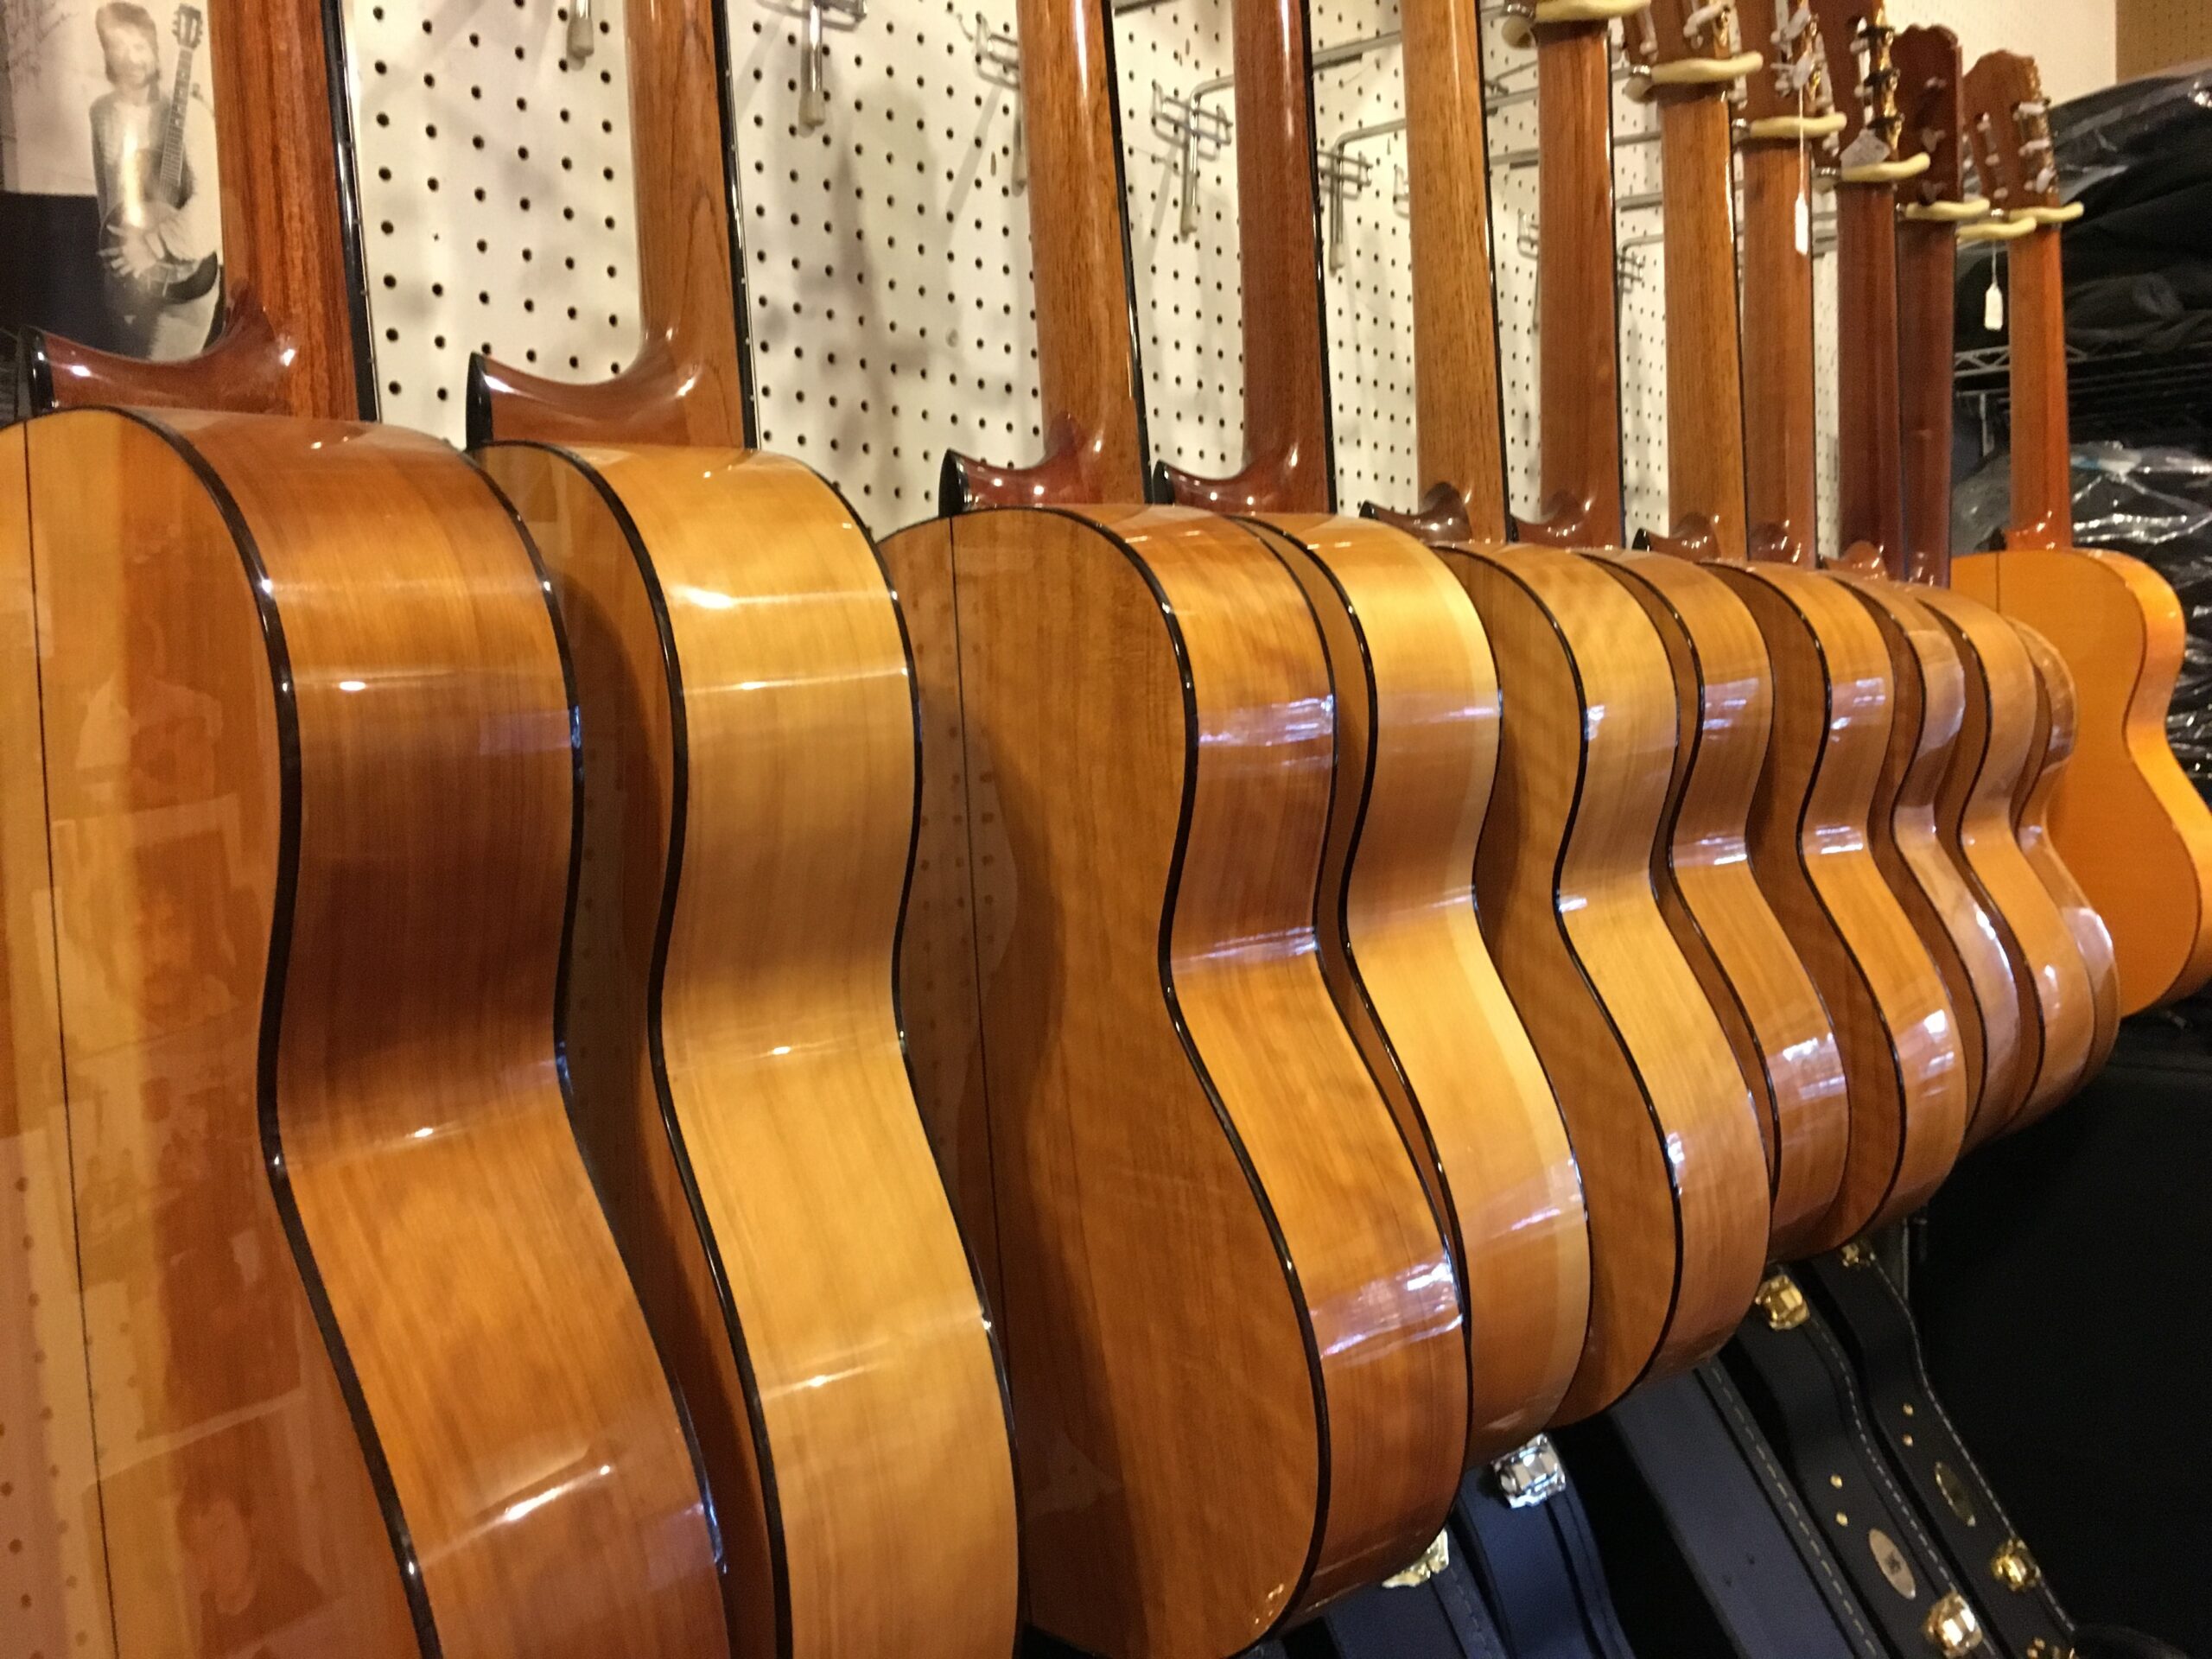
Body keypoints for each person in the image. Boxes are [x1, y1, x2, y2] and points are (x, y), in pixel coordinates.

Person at [87, 1, 218, 358]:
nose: (131, 58)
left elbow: (213, 206)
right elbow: (108, 195)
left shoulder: (191, 114)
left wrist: (153, 246)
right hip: (128, 282)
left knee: (161, 389)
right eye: (119, 46)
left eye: (140, 46)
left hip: (184, 285)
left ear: (156, 50)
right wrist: (117, 270)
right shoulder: (102, 114)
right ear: (106, 53)